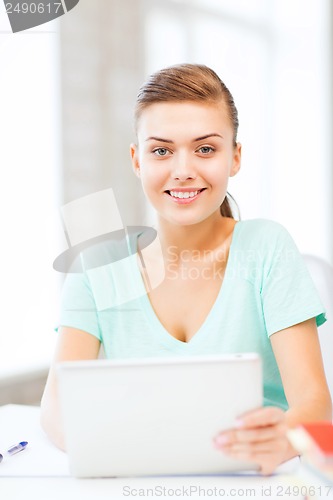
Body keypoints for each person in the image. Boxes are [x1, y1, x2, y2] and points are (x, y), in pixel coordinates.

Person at [40, 63, 332, 475]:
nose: (183, 170)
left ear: (235, 157)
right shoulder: (97, 265)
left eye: (206, 149)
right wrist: (105, 448)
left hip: (258, 481)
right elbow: (56, 405)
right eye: (161, 150)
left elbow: (315, 405)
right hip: (134, 479)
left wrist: (286, 437)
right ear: (136, 160)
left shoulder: (267, 247)